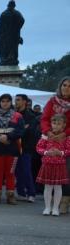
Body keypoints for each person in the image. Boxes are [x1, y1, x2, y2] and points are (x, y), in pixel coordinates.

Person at [0, 94, 24, 204]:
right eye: (3, 101)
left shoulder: (18, 116)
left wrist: (8, 137)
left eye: (7, 101)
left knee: (10, 173)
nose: (5, 103)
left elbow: (21, 131)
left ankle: (10, 195)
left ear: (11, 102)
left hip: (12, 149)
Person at [40, 77, 70, 212]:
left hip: (67, 138)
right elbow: (44, 119)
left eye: (69, 86)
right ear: (60, 86)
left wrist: (65, 133)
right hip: (51, 137)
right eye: (64, 85)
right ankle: (50, 202)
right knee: (52, 172)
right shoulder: (52, 101)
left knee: (67, 171)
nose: (66, 88)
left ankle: (65, 201)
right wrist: (48, 132)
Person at [36, 114, 69, 216]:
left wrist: (61, 153)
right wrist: (46, 152)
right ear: (51, 124)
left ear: (63, 125)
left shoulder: (66, 137)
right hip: (47, 164)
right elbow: (38, 148)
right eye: (54, 123)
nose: (56, 126)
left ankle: (55, 208)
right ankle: (47, 207)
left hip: (59, 165)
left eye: (59, 124)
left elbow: (68, 150)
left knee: (58, 187)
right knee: (48, 187)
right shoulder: (45, 136)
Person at [14, 94, 38, 202]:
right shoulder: (13, 114)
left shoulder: (31, 116)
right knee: (17, 171)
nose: (16, 102)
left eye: (18, 100)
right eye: (15, 100)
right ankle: (21, 193)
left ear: (24, 101)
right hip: (14, 146)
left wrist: (19, 130)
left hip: (26, 147)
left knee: (26, 170)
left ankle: (31, 193)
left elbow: (30, 132)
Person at [0, 0, 25, 66]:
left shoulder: (15, 13)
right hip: (5, 35)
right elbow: (0, 26)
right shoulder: (4, 14)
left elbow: (22, 21)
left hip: (12, 35)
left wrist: (17, 28)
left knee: (12, 49)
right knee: (4, 49)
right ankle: (4, 60)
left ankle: (10, 60)